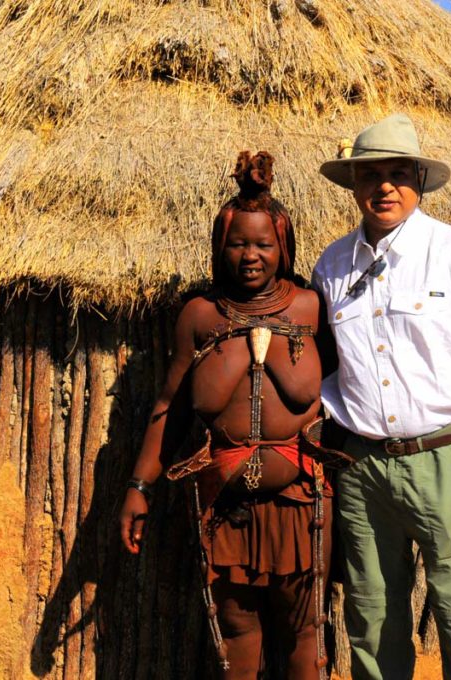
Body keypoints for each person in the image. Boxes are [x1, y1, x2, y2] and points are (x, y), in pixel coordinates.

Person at [311, 114, 451, 680]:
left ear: (419, 180)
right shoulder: (332, 267)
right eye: (370, 174)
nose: (384, 186)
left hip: (448, 465)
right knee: (373, 621)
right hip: (362, 470)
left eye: (397, 173)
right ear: (354, 184)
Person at [119, 151, 337, 679]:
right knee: (234, 631)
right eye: (238, 243)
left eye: (263, 243)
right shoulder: (199, 315)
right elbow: (169, 407)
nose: (250, 256)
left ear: (282, 246)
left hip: (302, 500)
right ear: (221, 246)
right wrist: (140, 487)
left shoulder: (311, 307)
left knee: (305, 630)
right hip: (224, 503)